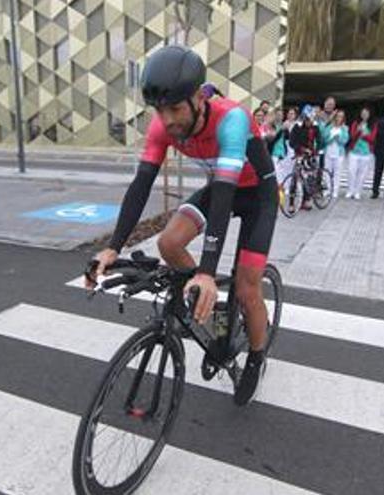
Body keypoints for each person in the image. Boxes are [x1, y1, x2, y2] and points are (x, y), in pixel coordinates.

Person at [86, 46, 277, 405]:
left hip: (257, 197)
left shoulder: (232, 119)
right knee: (168, 243)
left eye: (175, 108)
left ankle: (255, 357)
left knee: (248, 287)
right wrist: (114, 246)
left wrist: (206, 270)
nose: (167, 119)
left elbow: (224, 193)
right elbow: (141, 184)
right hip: (222, 188)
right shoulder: (163, 126)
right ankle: (214, 304)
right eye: (160, 110)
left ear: (197, 99)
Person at [289, 106, 320, 210]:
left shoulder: (315, 127)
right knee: (295, 177)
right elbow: (292, 142)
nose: (309, 122)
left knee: (309, 179)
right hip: (300, 154)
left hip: (311, 155)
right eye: (307, 119)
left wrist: (317, 150)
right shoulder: (297, 126)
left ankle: (306, 200)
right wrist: (301, 149)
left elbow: (320, 140)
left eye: (311, 119)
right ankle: (292, 203)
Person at [346, 107, 376, 200]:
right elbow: (352, 136)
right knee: (351, 171)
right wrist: (358, 131)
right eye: (363, 113)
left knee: (362, 173)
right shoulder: (355, 123)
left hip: (366, 152)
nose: (364, 115)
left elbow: (372, 139)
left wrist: (365, 136)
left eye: (366, 113)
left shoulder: (373, 125)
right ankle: (350, 190)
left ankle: (357, 191)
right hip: (354, 151)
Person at [321, 109, 349, 199]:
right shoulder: (329, 127)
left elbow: (345, 140)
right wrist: (331, 139)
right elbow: (324, 138)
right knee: (327, 172)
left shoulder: (344, 128)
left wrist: (338, 139)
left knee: (337, 172)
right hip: (329, 152)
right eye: (337, 116)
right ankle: (328, 190)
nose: (339, 118)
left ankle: (335, 190)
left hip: (339, 153)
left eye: (341, 116)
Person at [273, 106, 298, 186]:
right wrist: (283, 129)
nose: (291, 115)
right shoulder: (280, 125)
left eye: (292, 114)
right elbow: (275, 138)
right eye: (289, 113)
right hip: (278, 152)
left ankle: (286, 190)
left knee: (289, 171)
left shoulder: (297, 125)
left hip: (287, 151)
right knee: (279, 173)